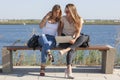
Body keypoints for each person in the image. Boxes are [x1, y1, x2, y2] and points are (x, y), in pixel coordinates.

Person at [58, 3, 84, 79]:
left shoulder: (79, 19)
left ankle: (68, 68)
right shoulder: (63, 18)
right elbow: (60, 29)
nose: (66, 12)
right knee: (72, 48)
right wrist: (59, 37)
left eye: (68, 11)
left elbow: (78, 32)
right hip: (65, 38)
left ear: (72, 11)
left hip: (74, 38)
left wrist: (74, 39)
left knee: (82, 38)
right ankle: (69, 70)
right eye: (65, 11)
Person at [38, 4, 62, 76]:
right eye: (56, 12)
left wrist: (59, 41)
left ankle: (42, 68)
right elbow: (40, 26)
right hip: (43, 37)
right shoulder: (47, 18)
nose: (57, 14)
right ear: (52, 11)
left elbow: (59, 32)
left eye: (58, 12)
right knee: (43, 38)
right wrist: (46, 17)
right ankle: (49, 53)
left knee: (44, 47)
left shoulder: (59, 21)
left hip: (52, 39)